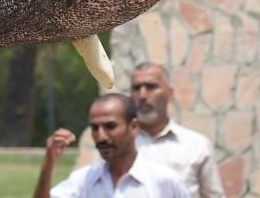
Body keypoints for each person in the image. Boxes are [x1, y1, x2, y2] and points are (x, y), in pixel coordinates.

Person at [75, 63, 225, 198]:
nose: (143, 95)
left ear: (170, 93)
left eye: (151, 87)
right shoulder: (115, 144)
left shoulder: (196, 146)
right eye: (136, 88)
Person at [33, 93, 190, 198]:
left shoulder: (165, 182)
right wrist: (48, 165)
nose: (101, 136)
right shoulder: (84, 181)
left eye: (110, 126)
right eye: (95, 128)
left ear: (134, 127)